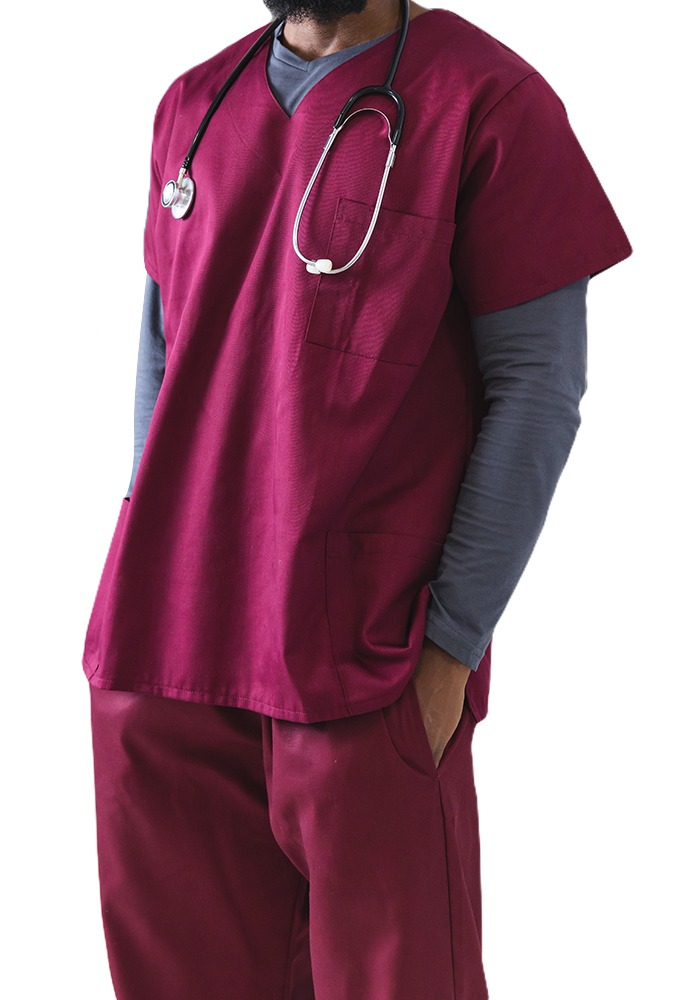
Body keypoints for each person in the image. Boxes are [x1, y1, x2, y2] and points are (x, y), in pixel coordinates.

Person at [83, 1, 631, 997]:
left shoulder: (489, 104)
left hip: (359, 664)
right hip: (164, 657)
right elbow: (164, 353)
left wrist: (451, 644)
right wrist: (144, 550)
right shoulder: (194, 107)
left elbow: (537, 390)